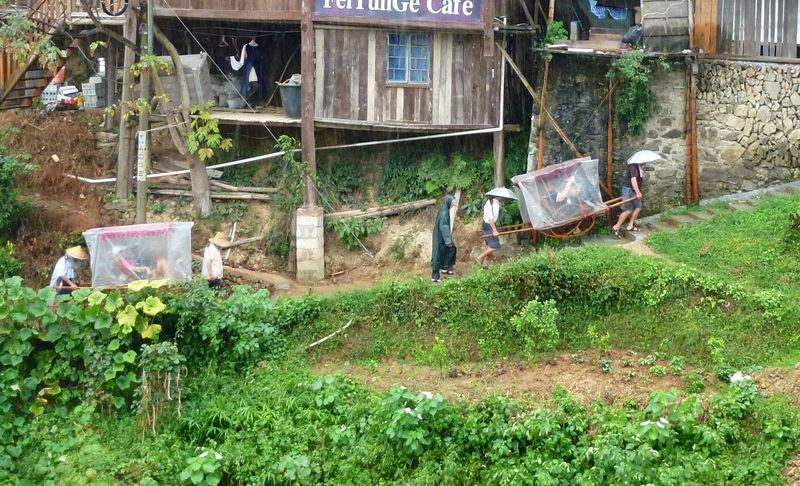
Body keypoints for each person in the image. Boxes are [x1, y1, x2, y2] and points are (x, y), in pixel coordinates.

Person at [476, 187, 516, 265]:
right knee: (495, 246)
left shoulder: (491, 201)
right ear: (501, 197)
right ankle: (480, 257)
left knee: (491, 245)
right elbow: (491, 219)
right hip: (489, 225)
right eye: (505, 198)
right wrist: (494, 230)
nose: (506, 199)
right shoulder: (495, 205)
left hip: (486, 224)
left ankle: (485, 262)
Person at [612, 159, 646, 238]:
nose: (645, 161)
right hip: (628, 190)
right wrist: (638, 192)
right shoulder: (633, 166)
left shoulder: (639, 168)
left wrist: (637, 191)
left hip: (634, 191)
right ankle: (616, 227)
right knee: (628, 210)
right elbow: (633, 180)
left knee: (638, 207)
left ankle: (630, 225)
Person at [431, 195, 457, 283]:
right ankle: (435, 276)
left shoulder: (444, 209)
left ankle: (446, 268)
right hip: (440, 237)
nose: (454, 204)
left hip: (440, 236)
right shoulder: (444, 212)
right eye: (453, 203)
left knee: (447, 251)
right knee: (439, 255)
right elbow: (444, 226)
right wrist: (448, 240)